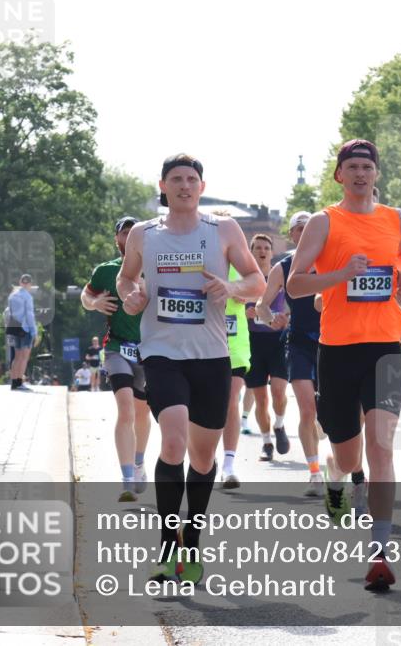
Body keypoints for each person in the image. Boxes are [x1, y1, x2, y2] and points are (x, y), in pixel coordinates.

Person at [118, 154, 264, 584]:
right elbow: (126, 279)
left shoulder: (224, 230)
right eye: (176, 179)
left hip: (212, 356)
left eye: (191, 179)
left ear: (202, 187)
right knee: (173, 442)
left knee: (202, 458)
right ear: (162, 186)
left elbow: (257, 281)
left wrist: (231, 287)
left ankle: (192, 540)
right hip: (162, 353)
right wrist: (131, 295)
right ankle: (167, 547)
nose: (184, 185)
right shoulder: (144, 234)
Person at [286, 138, 401, 591]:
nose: (361, 174)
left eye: (368, 166)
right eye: (353, 167)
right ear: (339, 175)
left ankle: (379, 551)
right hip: (338, 350)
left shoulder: (395, 218)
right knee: (348, 455)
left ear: (376, 174)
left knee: (381, 447)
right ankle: (337, 476)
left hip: (385, 347)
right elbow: (295, 285)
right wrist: (341, 275)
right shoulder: (324, 222)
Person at [82, 215, 153, 501]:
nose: (129, 237)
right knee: (125, 409)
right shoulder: (106, 271)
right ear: (117, 239)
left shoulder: (157, 267)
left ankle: (138, 463)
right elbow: (86, 295)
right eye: (124, 232)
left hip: (148, 350)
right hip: (116, 347)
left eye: (134, 232)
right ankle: (126, 480)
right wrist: (95, 302)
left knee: (142, 413)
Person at [255, 211, 325, 495]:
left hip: (332, 343)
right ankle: (315, 473)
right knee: (307, 409)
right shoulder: (283, 267)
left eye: (310, 227)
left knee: (326, 416)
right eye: (299, 228)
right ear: (292, 235)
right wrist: (271, 319)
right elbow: (261, 306)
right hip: (298, 343)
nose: (305, 232)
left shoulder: (331, 260)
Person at [209, 206, 252, 490]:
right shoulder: (201, 258)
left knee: (231, 399)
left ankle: (228, 465)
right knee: (206, 404)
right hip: (203, 342)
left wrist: (236, 289)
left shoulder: (241, 260)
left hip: (234, 342)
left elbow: (256, 286)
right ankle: (206, 458)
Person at [243, 233, 291, 462]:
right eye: (258, 248)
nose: (262, 251)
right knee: (261, 399)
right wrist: (245, 313)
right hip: (253, 341)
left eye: (266, 248)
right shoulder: (245, 279)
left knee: (279, 392)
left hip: (278, 340)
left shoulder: (279, 275)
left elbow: (293, 303)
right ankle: (266, 443)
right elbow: (231, 307)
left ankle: (279, 425)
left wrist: (286, 316)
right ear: (251, 252)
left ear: (272, 253)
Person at [7, 275, 37, 391]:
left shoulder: (12, 295)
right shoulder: (28, 297)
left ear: (20, 282)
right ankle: (19, 382)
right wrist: (34, 331)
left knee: (16, 357)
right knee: (24, 357)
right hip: (25, 329)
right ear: (30, 284)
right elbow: (29, 315)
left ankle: (13, 383)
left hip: (14, 327)